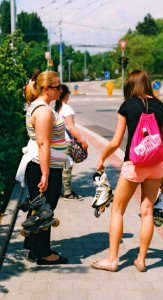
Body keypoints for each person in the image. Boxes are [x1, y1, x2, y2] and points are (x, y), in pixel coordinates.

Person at [91, 70, 163, 272]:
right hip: (156, 166)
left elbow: (116, 141)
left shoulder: (128, 106)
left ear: (130, 86)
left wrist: (101, 158)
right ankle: (141, 261)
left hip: (134, 164)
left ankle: (112, 259)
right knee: (147, 212)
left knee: (118, 210)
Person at [20, 70, 68, 265]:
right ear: (47, 89)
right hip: (42, 167)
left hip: (43, 166)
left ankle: (34, 248)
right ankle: (43, 253)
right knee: (45, 209)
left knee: (40, 208)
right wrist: (46, 174)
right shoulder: (43, 111)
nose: (60, 90)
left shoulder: (41, 107)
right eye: (57, 87)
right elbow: (43, 144)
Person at [55, 84, 88, 200]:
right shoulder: (67, 108)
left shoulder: (57, 108)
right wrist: (82, 141)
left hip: (57, 141)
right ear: (67, 94)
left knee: (60, 166)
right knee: (67, 166)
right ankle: (67, 192)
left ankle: (58, 190)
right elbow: (71, 128)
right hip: (66, 141)